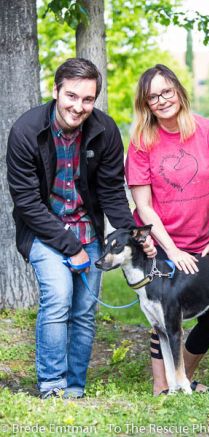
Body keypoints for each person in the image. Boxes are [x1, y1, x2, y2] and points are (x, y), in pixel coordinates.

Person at [6, 58, 155, 399]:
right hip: (44, 231)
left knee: (85, 311)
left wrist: (135, 235)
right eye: (71, 96)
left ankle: (75, 387)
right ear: (56, 91)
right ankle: (52, 386)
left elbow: (112, 192)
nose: (78, 107)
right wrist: (70, 247)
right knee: (59, 298)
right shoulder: (26, 131)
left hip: (88, 231)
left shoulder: (104, 131)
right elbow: (27, 203)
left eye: (87, 99)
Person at [125, 64, 209, 395]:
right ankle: (161, 387)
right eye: (152, 97)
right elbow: (143, 205)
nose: (161, 100)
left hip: (201, 242)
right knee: (163, 312)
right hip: (158, 244)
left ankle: (182, 378)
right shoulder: (141, 141)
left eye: (166, 91)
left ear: (179, 90)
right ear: (145, 104)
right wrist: (171, 251)